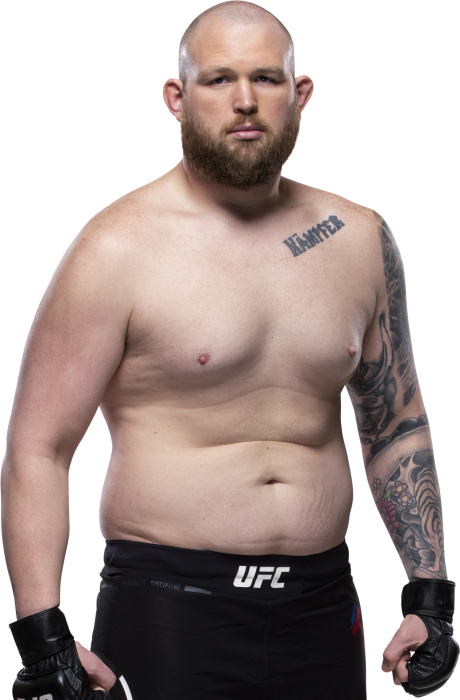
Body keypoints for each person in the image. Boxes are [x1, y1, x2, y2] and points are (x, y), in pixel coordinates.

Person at [2, 2, 458, 699]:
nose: (245, 100)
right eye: (218, 79)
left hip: (323, 607)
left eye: (265, 79)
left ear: (300, 93)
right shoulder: (117, 247)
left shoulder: (358, 238)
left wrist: (430, 596)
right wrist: (43, 637)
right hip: (170, 608)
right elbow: (39, 447)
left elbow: (396, 423)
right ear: (176, 98)